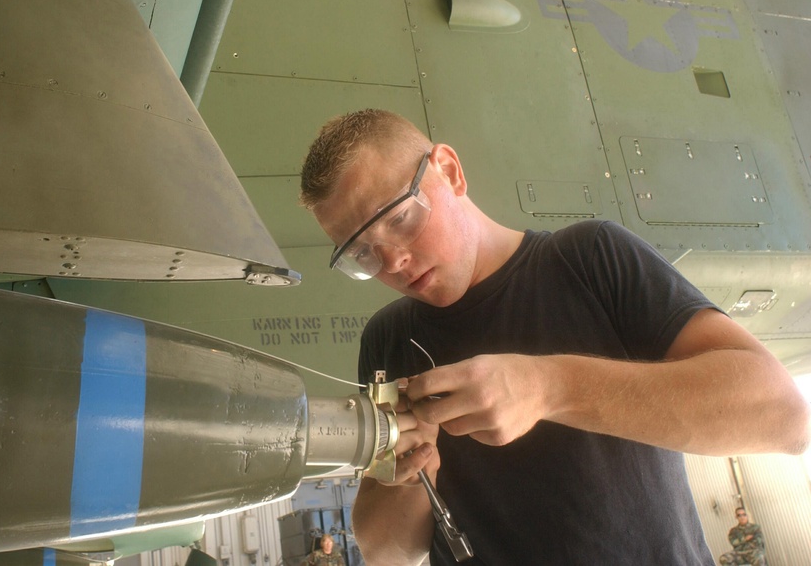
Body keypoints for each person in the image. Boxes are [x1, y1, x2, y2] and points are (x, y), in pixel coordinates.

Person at [298, 109, 810, 566]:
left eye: (401, 218)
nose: (392, 261)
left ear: (449, 171)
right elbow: (387, 553)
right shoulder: (387, 340)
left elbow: (784, 417)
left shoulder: (589, 260)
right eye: (363, 253)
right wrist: (405, 480)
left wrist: (549, 386)